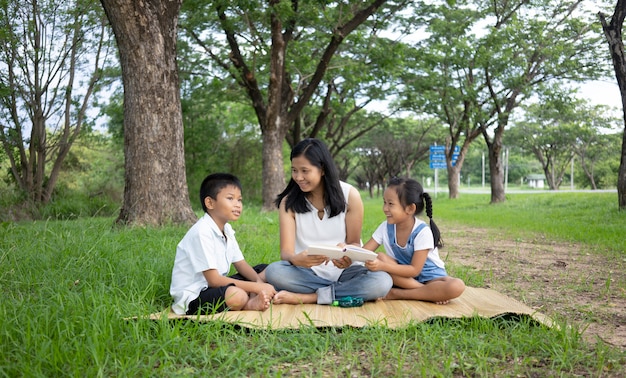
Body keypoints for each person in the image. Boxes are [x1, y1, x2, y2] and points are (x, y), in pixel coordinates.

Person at [264, 138, 392, 305]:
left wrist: (347, 254)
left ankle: (312, 297)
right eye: (294, 170)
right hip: (307, 273)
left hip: (345, 272)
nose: (298, 177)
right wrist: (296, 259)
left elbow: (354, 242)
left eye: (305, 171)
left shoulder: (350, 195)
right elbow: (286, 252)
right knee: (275, 272)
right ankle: (340, 292)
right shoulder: (288, 203)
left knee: (382, 281)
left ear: (322, 169)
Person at [169, 173, 276, 315]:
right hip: (195, 296)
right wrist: (256, 288)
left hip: (215, 287)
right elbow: (214, 280)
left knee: (265, 270)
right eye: (230, 198)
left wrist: (259, 283)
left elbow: (241, 264)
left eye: (239, 199)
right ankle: (249, 303)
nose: (237, 204)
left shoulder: (227, 230)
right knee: (236, 296)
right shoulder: (202, 232)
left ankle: (250, 295)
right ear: (210, 203)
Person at [362, 177, 465, 304]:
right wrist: (345, 251)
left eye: (390, 204)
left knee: (457, 286)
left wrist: (383, 266)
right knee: (380, 256)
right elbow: (364, 252)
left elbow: (415, 270)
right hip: (404, 278)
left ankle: (398, 293)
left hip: (431, 278)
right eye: (384, 202)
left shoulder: (422, 231)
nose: (385, 208)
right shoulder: (385, 227)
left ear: (410, 209)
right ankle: (428, 292)